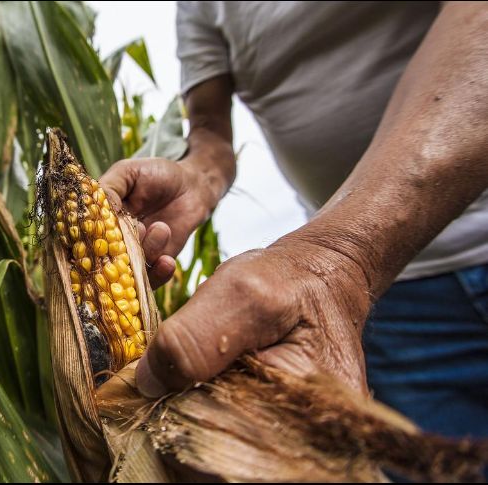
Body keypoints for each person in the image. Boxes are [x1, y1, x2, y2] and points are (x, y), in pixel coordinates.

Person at [100, 1, 488, 443]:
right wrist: (198, 180)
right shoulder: (200, 8)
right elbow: (210, 135)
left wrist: (337, 258)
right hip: (387, 297)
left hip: (363, 267)